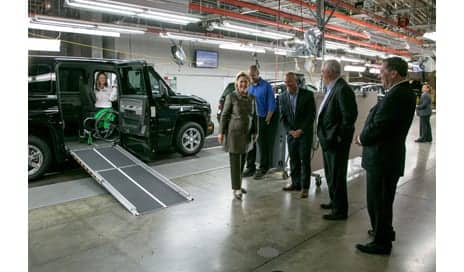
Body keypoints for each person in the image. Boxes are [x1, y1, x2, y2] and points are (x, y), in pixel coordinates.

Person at [354, 57, 417, 255]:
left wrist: (362, 139)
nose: (379, 75)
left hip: (383, 159)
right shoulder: (400, 93)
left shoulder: (398, 95)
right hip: (386, 157)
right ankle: (383, 232)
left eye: (382, 71)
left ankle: (381, 243)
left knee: (378, 201)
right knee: (381, 201)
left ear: (394, 73)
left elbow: (380, 126)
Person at [317, 60, 358, 221]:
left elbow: (349, 117)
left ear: (331, 72)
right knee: (330, 174)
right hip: (329, 140)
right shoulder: (333, 87)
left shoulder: (342, 89)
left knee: (337, 175)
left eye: (323, 71)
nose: (322, 74)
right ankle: (334, 202)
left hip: (336, 142)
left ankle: (340, 210)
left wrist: (339, 137)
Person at [218, 72, 257, 200]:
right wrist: (221, 132)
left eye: (246, 81)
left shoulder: (252, 98)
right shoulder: (232, 97)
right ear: (237, 83)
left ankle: (238, 185)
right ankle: (236, 189)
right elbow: (224, 115)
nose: (243, 84)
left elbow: (254, 116)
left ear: (249, 84)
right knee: (235, 163)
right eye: (241, 81)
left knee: (242, 162)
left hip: (247, 135)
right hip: (234, 135)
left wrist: (255, 131)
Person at [280, 72, 316, 198]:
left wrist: (301, 130)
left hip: (304, 134)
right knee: (294, 160)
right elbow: (283, 118)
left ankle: (305, 187)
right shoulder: (282, 97)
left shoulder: (307, 95)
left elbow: (311, 116)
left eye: (290, 82)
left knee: (305, 161)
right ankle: (296, 184)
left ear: (297, 82)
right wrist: (290, 131)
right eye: (286, 82)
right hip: (291, 134)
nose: (288, 84)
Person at [242, 65, 276, 179]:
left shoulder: (266, 86)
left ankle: (263, 167)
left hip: (261, 119)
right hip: (250, 119)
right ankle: (250, 167)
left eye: (253, 75)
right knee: (250, 144)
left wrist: (268, 118)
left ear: (258, 73)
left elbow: (272, 104)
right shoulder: (249, 87)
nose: (251, 77)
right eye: (250, 75)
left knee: (262, 144)